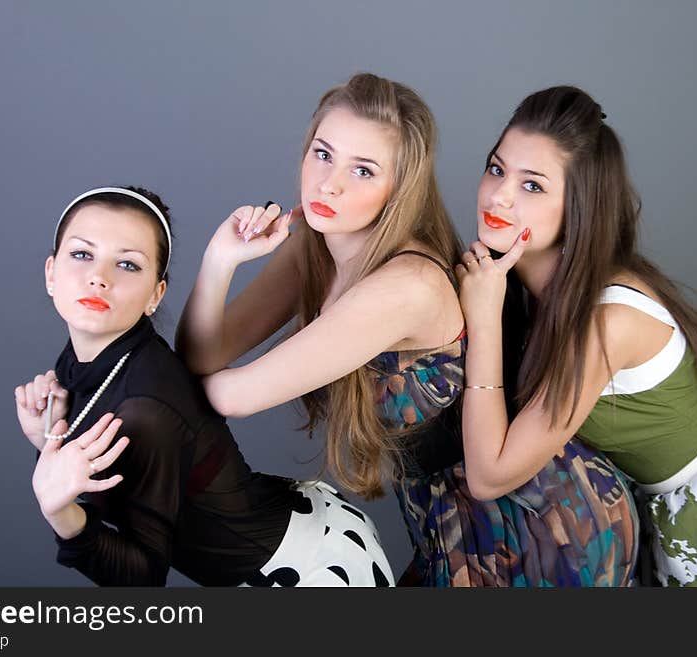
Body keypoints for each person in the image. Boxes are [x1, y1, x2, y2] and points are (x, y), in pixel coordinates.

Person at [177, 73, 638, 586]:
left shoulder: (408, 285)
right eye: (323, 154)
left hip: (540, 525)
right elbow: (202, 356)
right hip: (443, 518)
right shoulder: (314, 243)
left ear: (400, 186)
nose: (330, 183)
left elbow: (233, 396)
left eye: (364, 170)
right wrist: (220, 260)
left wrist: (149, 385)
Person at [456, 85, 697, 586]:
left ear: (578, 204)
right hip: (673, 502)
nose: (500, 196)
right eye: (496, 169)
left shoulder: (605, 321)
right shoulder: (532, 289)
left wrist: (485, 318)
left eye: (532, 186)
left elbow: (490, 475)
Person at [14, 185, 394, 587]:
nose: (98, 278)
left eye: (127, 265)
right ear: (51, 273)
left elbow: (141, 576)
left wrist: (60, 513)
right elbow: (119, 486)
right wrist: (50, 440)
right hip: (286, 534)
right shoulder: (86, 359)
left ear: (154, 296)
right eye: (82, 254)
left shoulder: (145, 407)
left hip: (304, 571)